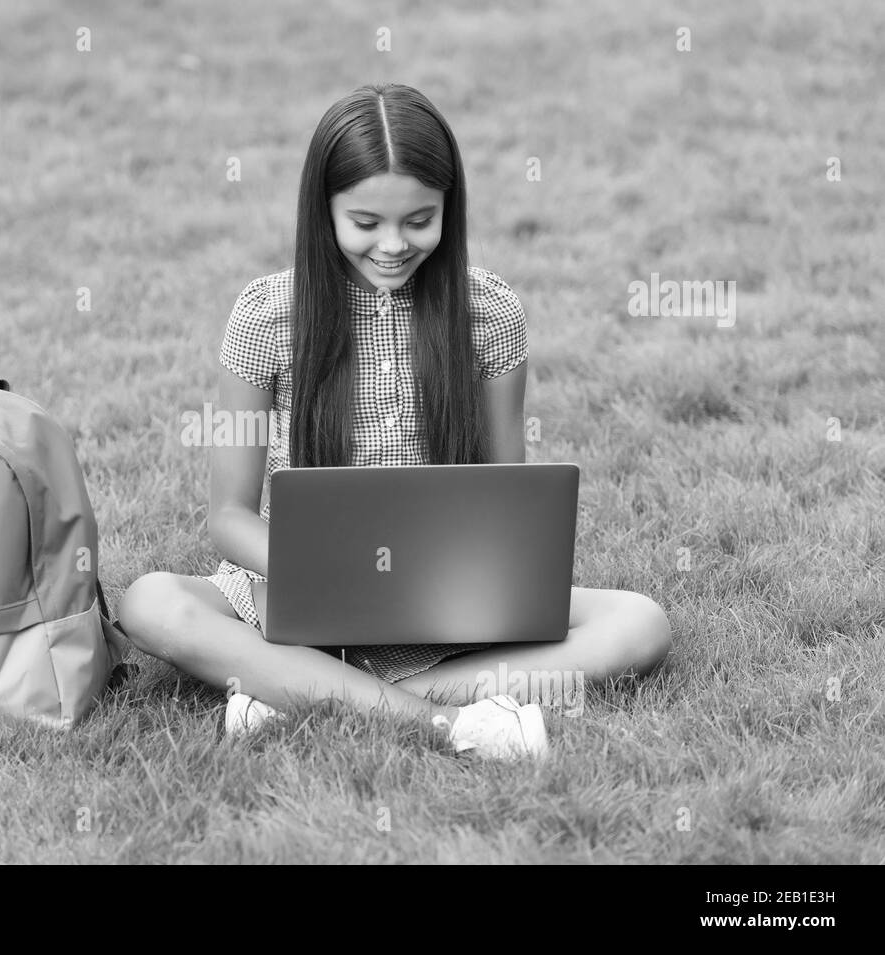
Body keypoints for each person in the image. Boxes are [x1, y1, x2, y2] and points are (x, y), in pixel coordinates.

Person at [118, 83, 671, 759]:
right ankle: (448, 719)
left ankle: (300, 692)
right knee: (150, 602)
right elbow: (229, 516)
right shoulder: (265, 316)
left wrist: (441, 581)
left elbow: (505, 498)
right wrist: (325, 571)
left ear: (449, 208)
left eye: (418, 221)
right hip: (297, 589)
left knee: (640, 622)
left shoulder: (489, 314)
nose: (391, 245)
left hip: (442, 600)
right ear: (322, 212)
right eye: (365, 222)